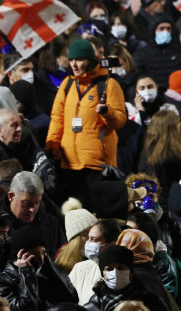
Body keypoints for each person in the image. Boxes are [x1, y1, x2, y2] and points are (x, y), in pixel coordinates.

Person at [46, 39, 127, 200]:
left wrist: (106, 112)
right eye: (71, 60)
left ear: (90, 60)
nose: (74, 65)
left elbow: (119, 121)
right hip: (69, 162)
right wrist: (52, 143)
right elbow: (57, 118)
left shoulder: (108, 84)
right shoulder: (67, 84)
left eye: (80, 60)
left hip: (97, 164)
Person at [84, 244, 170, 311]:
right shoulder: (97, 302)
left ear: (130, 271)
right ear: (103, 273)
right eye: (109, 269)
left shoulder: (150, 301)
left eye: (121, 268)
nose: (115, 272)